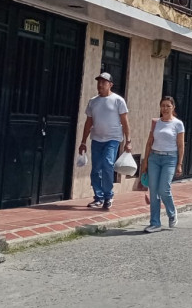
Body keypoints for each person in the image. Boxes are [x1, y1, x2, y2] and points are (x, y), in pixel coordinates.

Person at [79, 73, 130, 210]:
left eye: (104, 82)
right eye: (99, 82)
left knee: (107, 164)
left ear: (110, 85)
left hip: (113, 139)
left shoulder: (118, 100)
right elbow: (88, 122)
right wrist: (83, 142)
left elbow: (125, 122)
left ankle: (108, 196)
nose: (100, 85)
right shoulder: (93, 101)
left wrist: (128, 141)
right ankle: (98, 198)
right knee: (96, 169)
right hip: (96, 139)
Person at [140, 96, 185, 233]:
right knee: (154, 191)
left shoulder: (178, 124)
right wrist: (145, 161)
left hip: (170, 159)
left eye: (168, 106)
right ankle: (155, 223)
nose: (165, 108)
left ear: (173, 107)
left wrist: (179, 164)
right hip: (154, 158)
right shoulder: (156, 122)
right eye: (163, 106)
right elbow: (149, 142)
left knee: (164, 189)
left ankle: (172, 213)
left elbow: (181, 145)